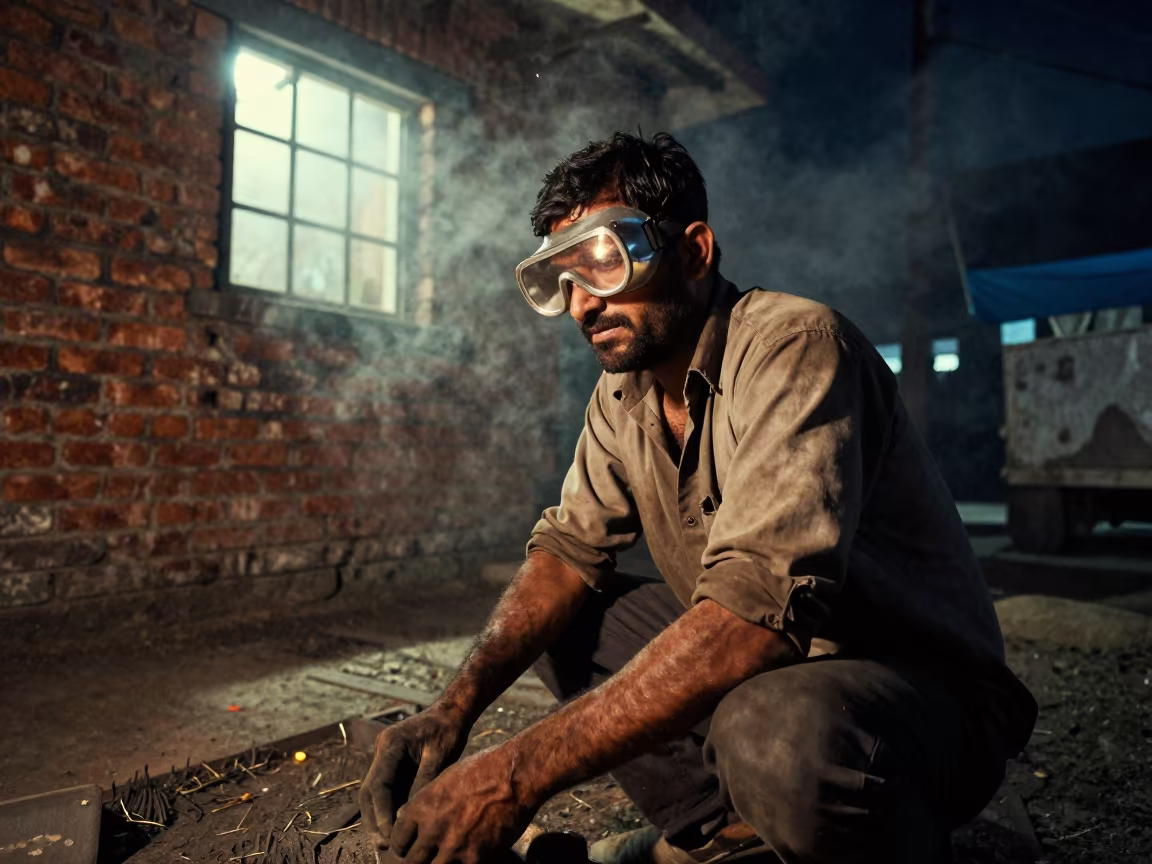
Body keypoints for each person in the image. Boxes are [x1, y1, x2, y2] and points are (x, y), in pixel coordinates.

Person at [358, 132, 1037, 864]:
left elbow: (751, 623)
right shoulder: (622, 395)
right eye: (562, 279)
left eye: (604, 262)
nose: (583, 302)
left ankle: (876, 834)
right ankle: (728, 833)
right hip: (791, 674)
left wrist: (512, 778)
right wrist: (450, 711)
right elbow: (564, 555)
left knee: (769, 732)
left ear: (693, 252)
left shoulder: (797, 348)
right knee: (561, 616)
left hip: (920, 702)